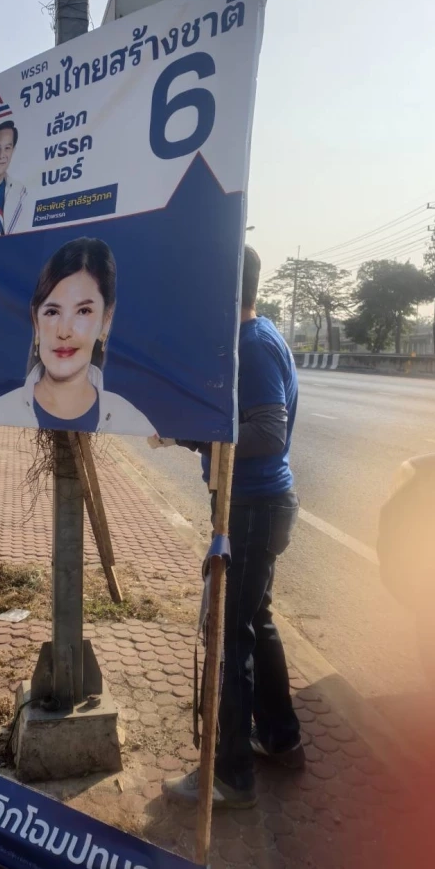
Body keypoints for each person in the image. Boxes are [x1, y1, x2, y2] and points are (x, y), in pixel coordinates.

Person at [163, 245, 303, 809]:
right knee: (255, 623)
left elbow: (268, 432)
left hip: (252, 508)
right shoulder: (250, 338)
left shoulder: (254, 346)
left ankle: (231, 775)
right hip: (254, 504)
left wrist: (196, 435)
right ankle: (280, 738)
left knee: (230, 635)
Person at [0, 237, 155, 436]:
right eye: (52, 312)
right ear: (36, 323)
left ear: (106, 321)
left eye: (83, 311)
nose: (64, 332)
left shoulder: (131, 422)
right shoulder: (0, 413)